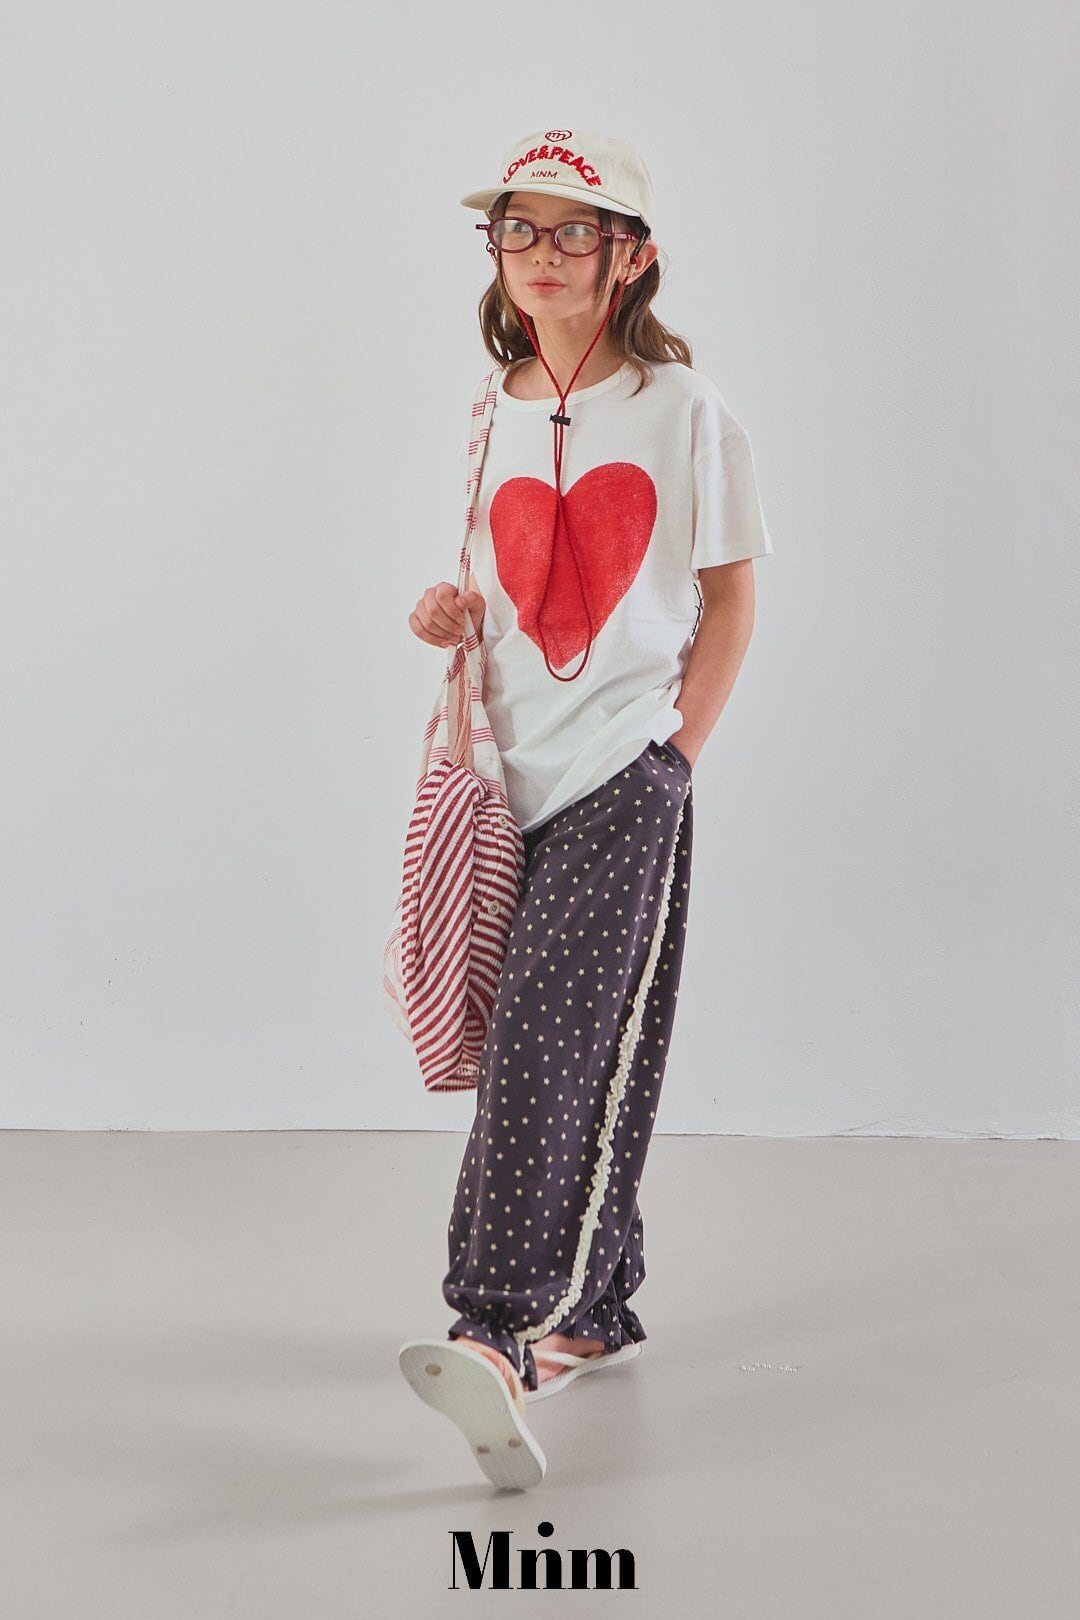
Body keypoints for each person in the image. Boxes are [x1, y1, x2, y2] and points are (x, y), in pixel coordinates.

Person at [397, 127, 774, 1488]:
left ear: (633, 256)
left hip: (623, 772)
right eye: (519, 228)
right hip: (508, 776)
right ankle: (596, 1307)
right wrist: (448, 612)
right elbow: (501, 587)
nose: (542, 254)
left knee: (551, 1053)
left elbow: (730, 598)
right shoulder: (491, 403)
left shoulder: (685, 410)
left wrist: (676, 754)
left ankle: (496, 1330)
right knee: (567, 1043)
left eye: (574, 231)